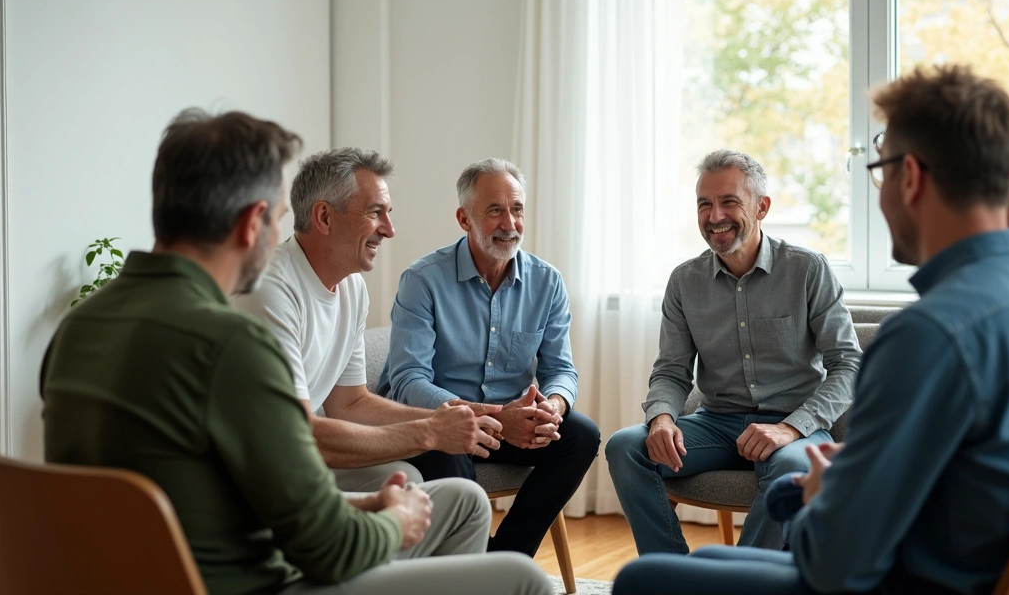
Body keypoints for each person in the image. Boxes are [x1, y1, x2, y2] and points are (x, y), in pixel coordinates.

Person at [612, 65, 1009, 595]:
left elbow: (837, 562)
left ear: (910, 179)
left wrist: (818, 493)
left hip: (917, 581)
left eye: (879, 170)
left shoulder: (928, 335)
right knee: (689, 555)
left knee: (643, 581)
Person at [41, 109, 551, 595]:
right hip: (255, 579)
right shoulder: (233, 343)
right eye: (279, 217)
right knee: (521, 581)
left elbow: (247, 475)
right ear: (251, 223)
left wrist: (376, 492)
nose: (389, 228)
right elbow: (329, 548)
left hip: (152, 564)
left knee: (460, 499)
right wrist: (395, 519)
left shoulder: (78, 328)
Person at [605, 149, 862, 553]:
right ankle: (675, 576)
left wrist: (790, 428)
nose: (714, 216)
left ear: (762, 207)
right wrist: (661, 418)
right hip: (716, 425)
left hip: (793, 426)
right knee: (625, 447)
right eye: (704, 204)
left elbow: (848, 365)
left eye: (729, 202)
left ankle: (738, 582)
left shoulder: (808, 270)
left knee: (793, 468)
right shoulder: (684, 282)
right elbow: (672, 371)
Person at [234, 148, 504, 496]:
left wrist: (452, 417)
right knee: (430, 478)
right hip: (247, 476)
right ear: (325, 217)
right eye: (376, 213)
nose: (389, 230)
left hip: (288, 459)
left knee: (411, 483)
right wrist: (431, 432)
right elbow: (296, 433)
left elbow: (350, 404)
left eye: (388, 214)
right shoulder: (270, 290)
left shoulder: (352, 287)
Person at [379, 158, 601, 557]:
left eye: (516, 209)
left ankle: (507, 560)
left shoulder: (546, 282)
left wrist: (552, 406)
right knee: (447, 453)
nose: (509, 223)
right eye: (495, 211)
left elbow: (560, 369)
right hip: (440, 421)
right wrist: (498, 418)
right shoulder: (423, 280)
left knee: (580, 435)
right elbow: (408, 382)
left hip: (511, 422)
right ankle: (478, 567)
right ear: (464, 219)